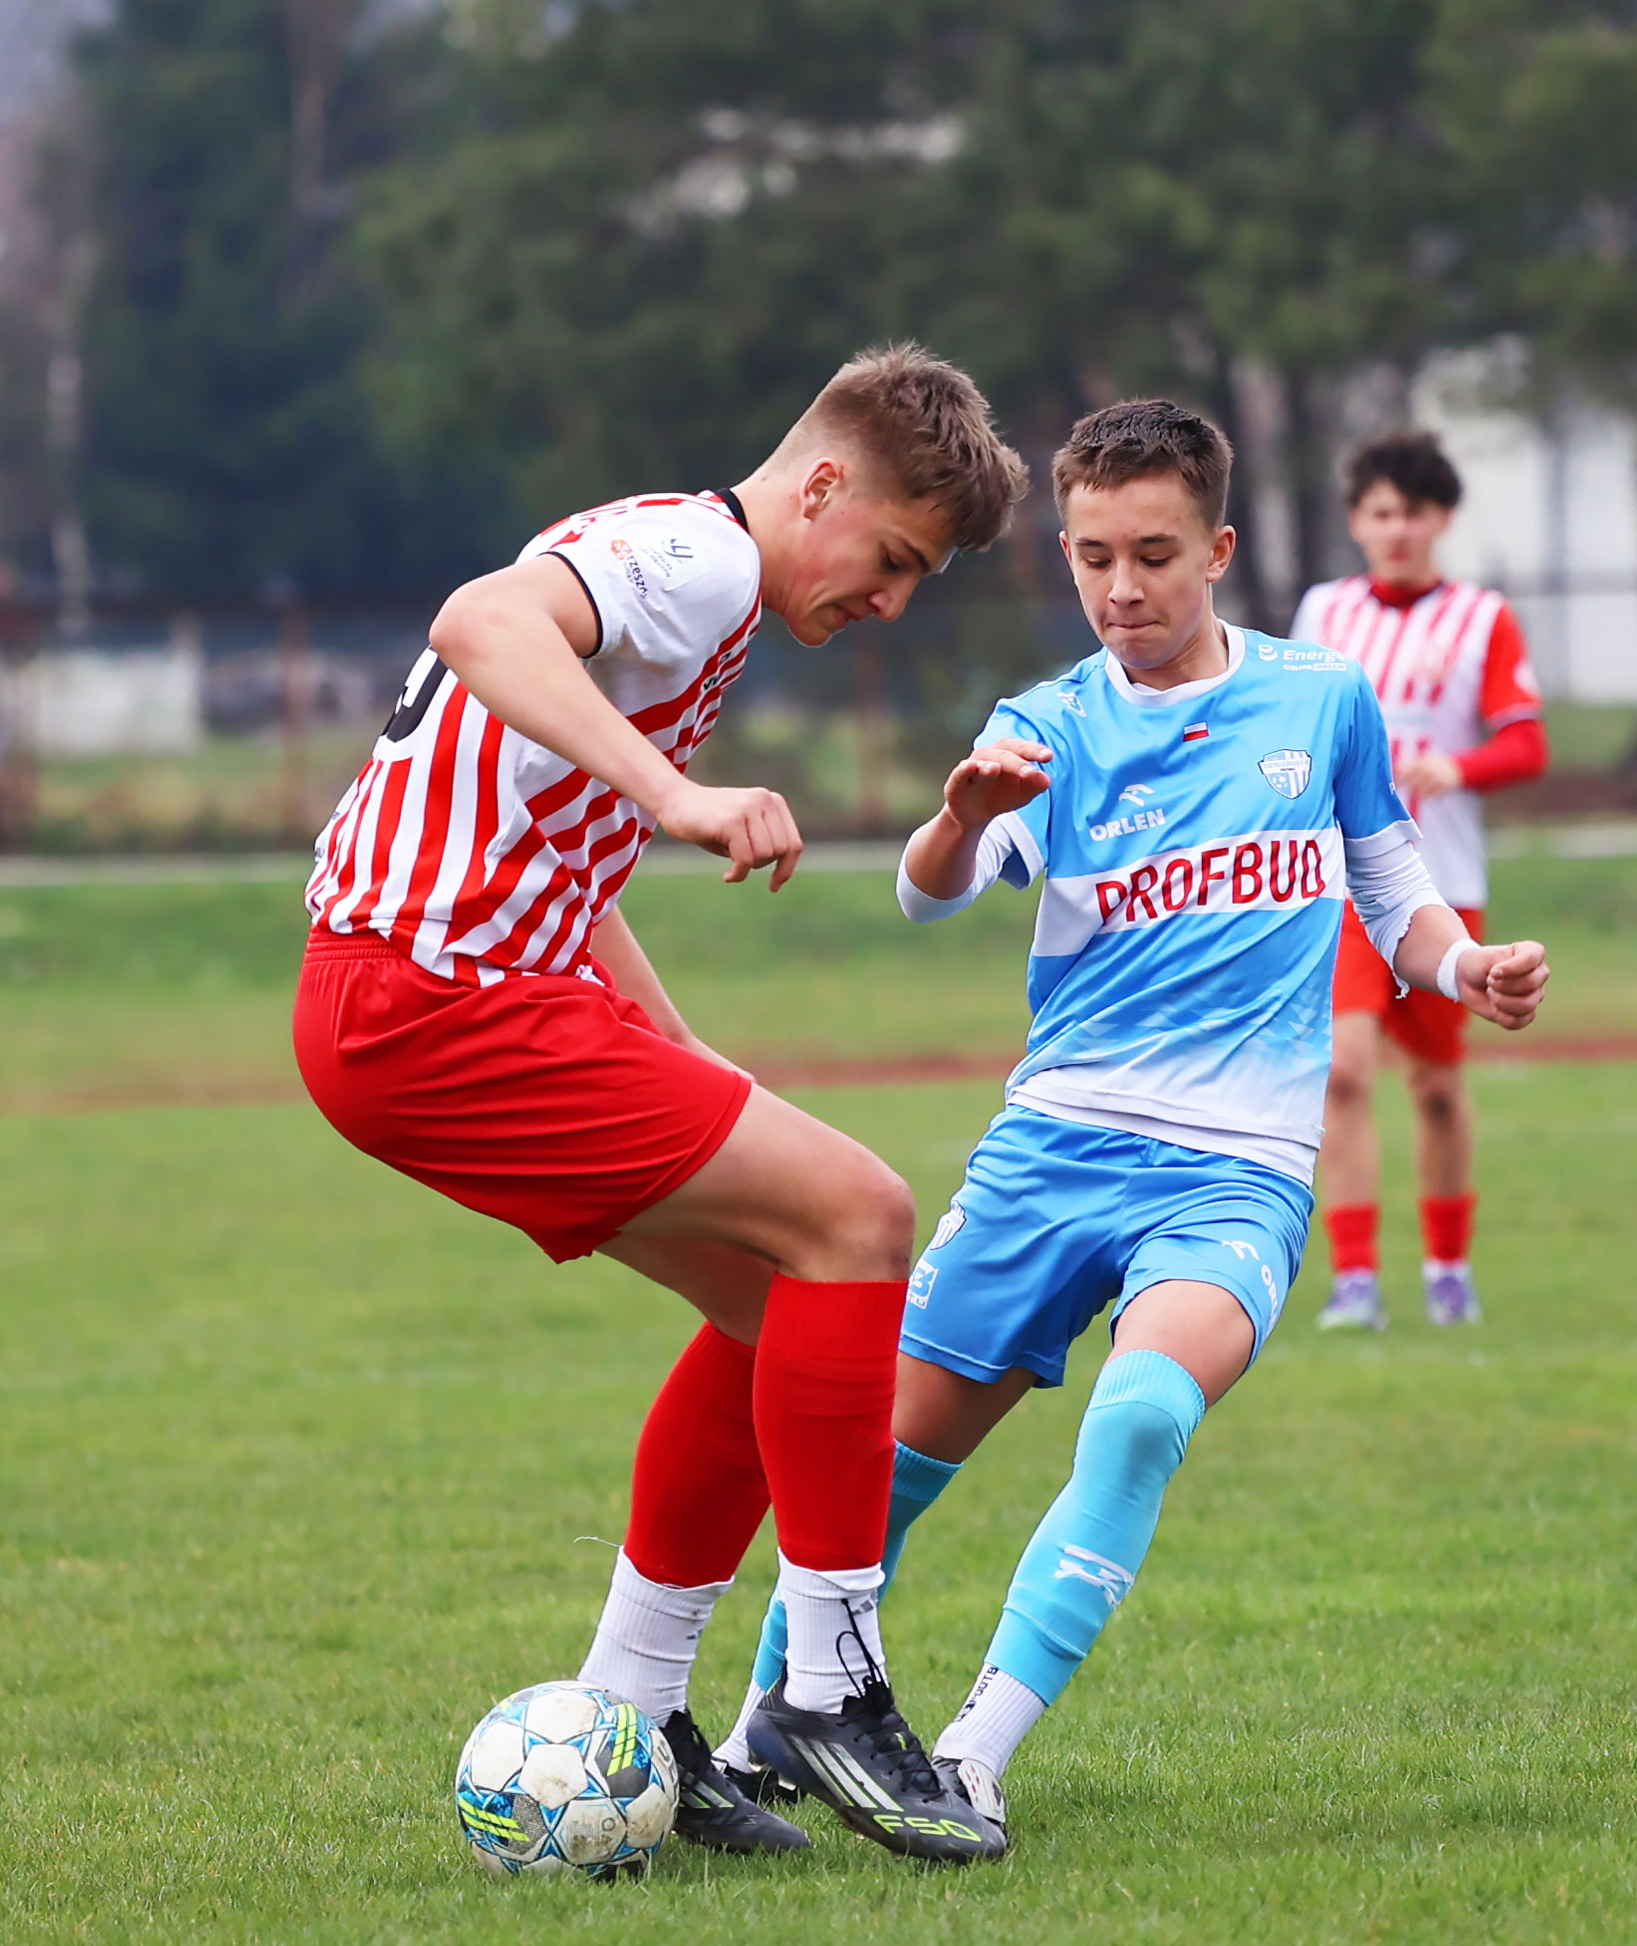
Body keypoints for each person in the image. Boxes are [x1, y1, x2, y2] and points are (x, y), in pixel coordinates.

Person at [717, 400, 1549, 1841]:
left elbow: (1391, 884)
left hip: (1237, 1168)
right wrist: (962, 816)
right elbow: (924, 892)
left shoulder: (1321, 700)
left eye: (1155, 555)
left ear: (1217, 550)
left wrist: (1462, 965)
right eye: (1094, 556)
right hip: (1054, 1152)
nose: (1123, 588)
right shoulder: (1043, 725)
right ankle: (756, 1742)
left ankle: (973, 1753)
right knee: (877, 1477)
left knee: (1146, 1411)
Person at [293, 345, 1028, 1866]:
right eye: (895, 559)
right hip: (436, 995)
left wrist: (686, 1051)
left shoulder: (698, 579)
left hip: (416, 999)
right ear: (821, 485)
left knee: (777, 1296)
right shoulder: (703, 560)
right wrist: (680, 796)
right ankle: (830, 1685)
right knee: (864, 1215)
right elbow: (478, 619)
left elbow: (563, 851)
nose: (892, 601)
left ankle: (634, 1713)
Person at [1291, 431, 1550, 1331]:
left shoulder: (1481, 617)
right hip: (1341, 887)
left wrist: (1458, 767)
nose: (1397, 529)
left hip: (1442, 886)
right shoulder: (1323, 613)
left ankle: (1447, 1270)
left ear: (1442, 519)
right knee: (1344, 1073)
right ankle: (1356, 1281)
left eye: (1414, 512)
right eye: (1381, 512)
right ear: (1357, 521)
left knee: (1436, 1088)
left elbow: (1527, 742)